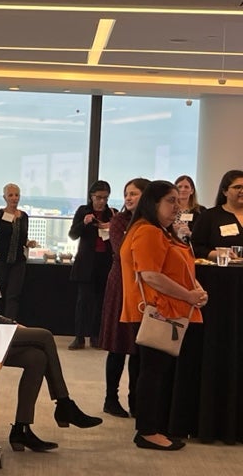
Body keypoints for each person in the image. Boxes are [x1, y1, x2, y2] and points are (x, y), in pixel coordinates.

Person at [0, 208, 102, 453]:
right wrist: (13, 324)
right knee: (44, 336)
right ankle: (64, 403)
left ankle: (22, 429)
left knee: (36, 359)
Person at [120, 180, 206, 450]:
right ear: (153, 202)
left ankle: (153, 427)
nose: (176, 206)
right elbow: (151, 276)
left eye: (177, 201)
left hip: (162, 310)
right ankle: (147, 431)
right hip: (157, 311)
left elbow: (173, 269)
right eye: (170, 200)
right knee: (154, 372)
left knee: (155, 371)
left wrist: (196, 290)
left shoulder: (158, 231)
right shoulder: (148, 231)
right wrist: (189, 295)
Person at [98, 178, 150, 418]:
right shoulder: (119, 220)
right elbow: (123, 251)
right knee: (118, 345)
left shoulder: (153, 222)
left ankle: (136, 400)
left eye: (134, 194)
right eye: (126, 194)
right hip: (121, 285)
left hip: (145, 288)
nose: (128, 198)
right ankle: (111, 399)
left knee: (140, 347)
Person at [68, 180, 116, 350]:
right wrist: (84, 223)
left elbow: (120, 237)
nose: (102, 201)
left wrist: (112, 227)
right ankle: (79, 337)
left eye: (105, 197)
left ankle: (96, 336)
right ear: (91, 196)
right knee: (83, 301)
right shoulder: (83, 211)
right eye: (98, 197)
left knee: (101, 301)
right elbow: (72, 234)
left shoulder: (112, 214)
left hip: (105, 262)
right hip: (86, 262)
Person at [0, 183, 37, 320]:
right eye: (10, 195)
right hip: (0, 261)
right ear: (4, 197)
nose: (14, 198)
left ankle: (9, 324)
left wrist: (29, 242)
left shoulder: (24, 216)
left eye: (16, 195)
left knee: (13, 296)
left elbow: (23, 238)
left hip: (18, 262)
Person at [191, 169, 243, 260]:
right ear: (225, 191)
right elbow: (196, 248)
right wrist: (217, 254)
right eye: (237, 187)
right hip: (221, 268)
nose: (242, 191)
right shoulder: (209, 216)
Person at [173, 175, 205, 242]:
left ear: (192, 191)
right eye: (179, 187)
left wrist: (190, 234)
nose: (183, 189)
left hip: (191, 246)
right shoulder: (169, 209)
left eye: (186, 187)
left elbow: (205, 236)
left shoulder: (201, 211)